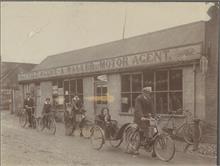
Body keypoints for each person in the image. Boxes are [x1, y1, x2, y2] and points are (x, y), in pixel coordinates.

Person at [128, 87, 156, 157]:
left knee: (153, 130)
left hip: (147, 117)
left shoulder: (149, 99)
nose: (148, 94)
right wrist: (141, 116)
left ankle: (151, 147)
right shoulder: (139, 98)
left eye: (149, 93)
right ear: (143, 92)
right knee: (144, 129)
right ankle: (136, 148)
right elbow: (138, 108)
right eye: (147, 92)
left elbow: (152, 108)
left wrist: (154, 116)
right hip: (139, 117)